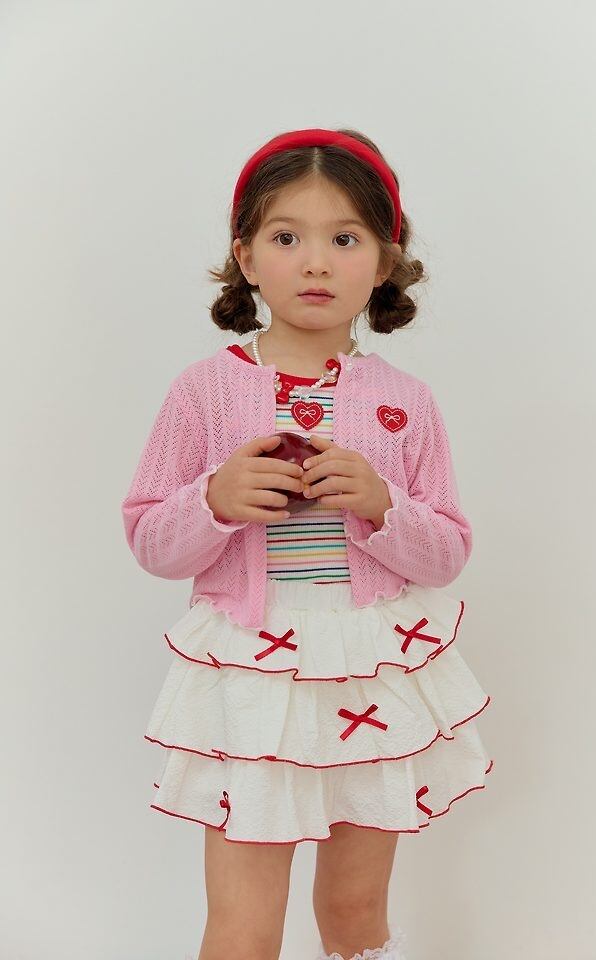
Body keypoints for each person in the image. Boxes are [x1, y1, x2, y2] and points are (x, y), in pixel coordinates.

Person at [120, 127, 493, 960]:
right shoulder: (204, 393)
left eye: (345, 239)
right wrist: (213, 500)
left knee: (357, 908)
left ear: (385, 261)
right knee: (243, 920)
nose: (316, 263)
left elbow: (447, 553)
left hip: (370, 667)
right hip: (252, 674)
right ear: (246, 257)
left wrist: (384, 506)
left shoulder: (406, 401)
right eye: (287, 238)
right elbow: (150, 539)